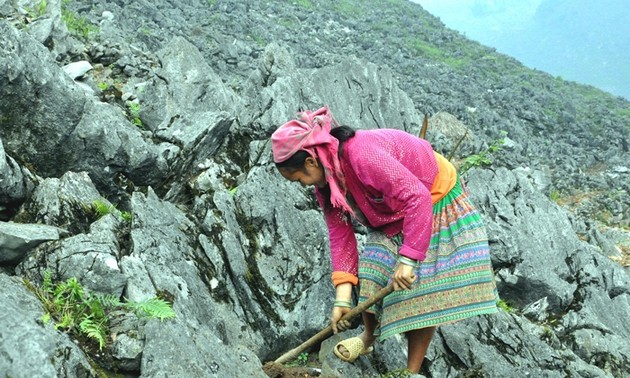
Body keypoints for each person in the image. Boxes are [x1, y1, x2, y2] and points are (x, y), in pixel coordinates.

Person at [271, 106, 498, 373]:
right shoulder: (327, 185)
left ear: (310, 161)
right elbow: (340, 236)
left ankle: (410, 371)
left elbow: (418, 198)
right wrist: (342, 299)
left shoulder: (362, 156)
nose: (304, 185)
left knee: (420, 291)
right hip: (391, 210)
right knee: (372, 269)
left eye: (299, 179)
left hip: (433, 196)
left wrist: (409, 260)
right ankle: (369, 338)